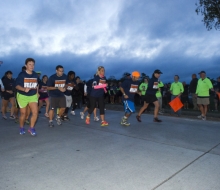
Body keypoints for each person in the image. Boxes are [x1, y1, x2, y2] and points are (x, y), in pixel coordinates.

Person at [15, 58, 39, 136]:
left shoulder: (35, 75)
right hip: (22, 96)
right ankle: (21, 127)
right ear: (26, 65)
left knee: (35, 112)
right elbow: (17, 86)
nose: (32, 66)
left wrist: (37, 92)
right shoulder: (22, 75)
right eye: (30, 64)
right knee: (23, 114)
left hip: (32, 95)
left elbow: (37, 85)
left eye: (33, 64)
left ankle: (31, 128)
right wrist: (24, 89)